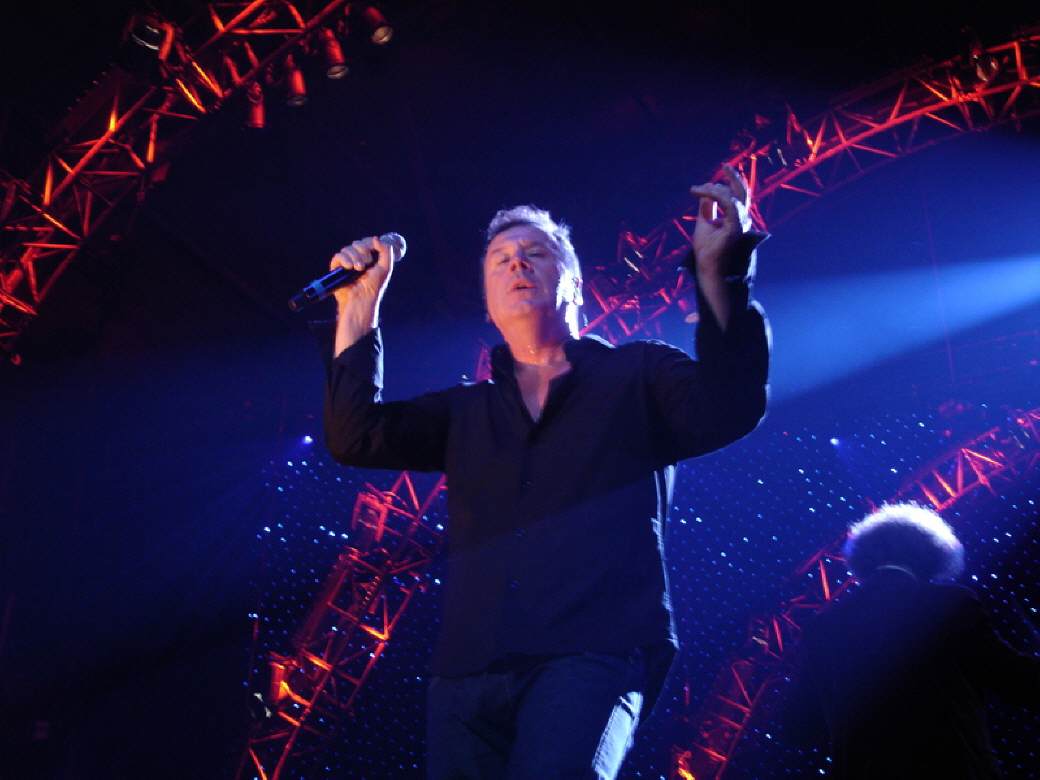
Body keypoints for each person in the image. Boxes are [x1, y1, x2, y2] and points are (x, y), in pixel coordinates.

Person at [322, 165, 770, 779]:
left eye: (535, 253)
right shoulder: (466, 412)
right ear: (487, 302)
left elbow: (729, 405)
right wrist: (359, 305)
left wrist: (721, 274)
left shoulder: (638, 375)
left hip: (595, 650)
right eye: (500, 259)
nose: (516, 263)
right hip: (468, 670)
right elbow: (355, 436)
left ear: (575, 283)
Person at [785, 502, 1040, 780]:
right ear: (931, 552)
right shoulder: (949, 602)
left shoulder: (822, 625)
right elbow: (1010, 677)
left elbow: (801, 725)